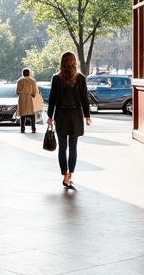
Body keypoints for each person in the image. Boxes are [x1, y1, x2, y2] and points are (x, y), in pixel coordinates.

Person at [46, 52, 91, 189]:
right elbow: (84, 98)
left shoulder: (56, 78)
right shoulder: (81, 78)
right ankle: (70, 174)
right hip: (76, 115)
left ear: (62, 62)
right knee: (73, 147)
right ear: (74, 62)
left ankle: (64, 174)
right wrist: (87, 116)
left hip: (61, 115)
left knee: (62, 147)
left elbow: (52, 99)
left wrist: (50, 116)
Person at [15, 67, 39, 133]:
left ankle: (22, 128)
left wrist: (22, 94)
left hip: (22, 98)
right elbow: (35, 92)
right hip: (30, 99)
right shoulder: (32, 81)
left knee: (22, 115)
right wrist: (33, 95)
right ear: (29, 73)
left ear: (22, 73)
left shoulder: (19, 81)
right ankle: (33, 128)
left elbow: (17, 92)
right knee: (32, 114)